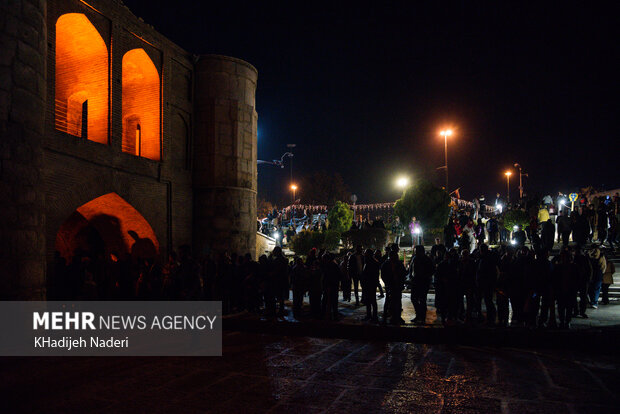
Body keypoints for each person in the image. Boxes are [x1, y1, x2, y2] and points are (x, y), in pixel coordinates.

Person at [553, 247, 578, 329]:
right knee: (566, 307)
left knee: (563, 307)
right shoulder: (573, 267)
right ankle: (566, 321)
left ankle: (564, 321)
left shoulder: (559, 267)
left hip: (564, 290)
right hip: (566, 290)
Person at [409, 245, 434, 324]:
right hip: (415, 281)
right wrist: (410, 276)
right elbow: (411, 269)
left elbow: (432, 270)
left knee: (422, 300)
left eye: (416, 250)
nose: (415, 252)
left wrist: (426, 277)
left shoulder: (427, 259)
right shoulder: (415, 258)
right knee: (414, 298)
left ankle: (422, 317)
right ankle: (419, 314)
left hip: (423, 282)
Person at [381, 250, 407, 324]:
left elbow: (403, 273)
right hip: (390, 285)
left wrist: (401, 282)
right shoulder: (386, 264)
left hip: (397, 285)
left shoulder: (398, 264)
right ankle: (387, 316)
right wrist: (387, 283)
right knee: (389, 301)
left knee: (398, 301)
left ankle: (397, 317)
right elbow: (383, 275)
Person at [477, 244, 498, 326]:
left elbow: (483, 272)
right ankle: (490, 317)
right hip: (486, 283)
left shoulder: (485, 259)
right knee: (488, 300)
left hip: (485, 283)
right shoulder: (487, 258)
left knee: (488, 301)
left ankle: (490, 318)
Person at [361, 249, 380, 322]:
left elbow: (372, 275)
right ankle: (370, 315)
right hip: (369, 284)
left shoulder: (371, 262)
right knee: (369, 300)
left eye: (365, 253)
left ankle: (373, 316)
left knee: (371, 300)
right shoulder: (370, 261)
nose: (364, 254)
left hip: (370, 284)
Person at [573, 246, 592, 318]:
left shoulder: (582, 259)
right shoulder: (582, 258)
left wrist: (588, 279)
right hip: (579, 280)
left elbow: (589, 270)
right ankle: (579, 311)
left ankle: (579, 311)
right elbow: (590, 270)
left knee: (582, 297)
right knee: (581, 297)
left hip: (581, 280)